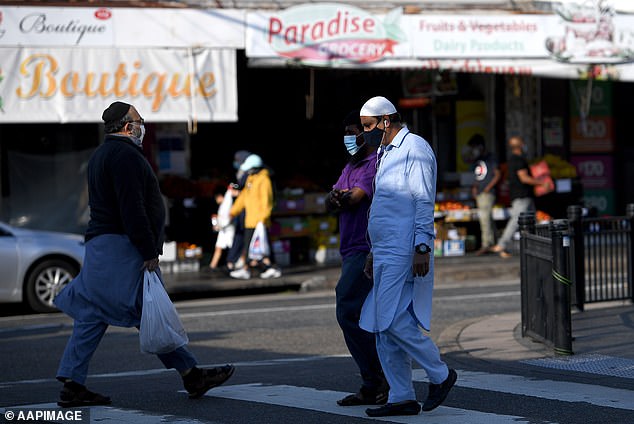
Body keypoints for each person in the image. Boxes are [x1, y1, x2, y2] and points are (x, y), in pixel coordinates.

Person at [53, 101, 234, 407]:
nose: (142, 124)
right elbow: (131, 207)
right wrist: (148, 249)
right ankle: (191, 374)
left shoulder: (100, 155)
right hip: (122, 247)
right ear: (127, 126)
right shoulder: (125, 156)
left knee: (93, 312)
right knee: (147, 309)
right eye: (138, 120)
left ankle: (72, 382)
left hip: (101, 246)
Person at [358, 96, 457, 417]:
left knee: (387, 318)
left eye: (368, 126)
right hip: (386, 250)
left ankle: (440, 374)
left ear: (386, 121)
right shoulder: (386, 153)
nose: (365, 133)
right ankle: (401, 395)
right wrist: (373, 251)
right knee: (382, 326)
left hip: (405, 248)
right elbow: (384, 207)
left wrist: (423, 246)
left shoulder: (415, 148)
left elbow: (423, 199)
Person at [326, 110, 388, 407]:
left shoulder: (372, 163)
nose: (350, 138)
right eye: (348, 133)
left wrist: (341, 198)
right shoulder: (350, 165)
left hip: (365, 249)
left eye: (356, 132)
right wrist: (338, 197)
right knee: (365, 316)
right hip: (350, 248)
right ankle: (377, 380)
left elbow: (354, 198)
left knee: (347, 309)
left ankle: (376, 380)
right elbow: (333, 197)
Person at [490, 136, 548, 258]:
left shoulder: (512, 160)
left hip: (523, 195)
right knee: (516, 220)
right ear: (520, 145)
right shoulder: (519, 160)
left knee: (532, 221)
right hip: (522, 196)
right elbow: (524, 178)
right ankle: (502, 245)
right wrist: (541, 182)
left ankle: (534, 245)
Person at [228, 153, 282, 280]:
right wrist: (233, 211)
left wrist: (263, 219)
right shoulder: (251, 179)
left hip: (259, 221)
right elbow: (243, 197)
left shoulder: (264, 180)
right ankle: (257, 268)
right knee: (252, 248)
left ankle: (268, 268)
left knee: (261, 247)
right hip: (250, 220)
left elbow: (266, 201)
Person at [468, 134, 502, 256]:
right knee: (488, 218)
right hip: (480, 193)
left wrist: (488, 188)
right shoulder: (478, 160)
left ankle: (486, 244)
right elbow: (478, 176)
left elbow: (498, 174)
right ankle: (494, 243)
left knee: (485, 219)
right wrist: (475, 187)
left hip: (487, 193)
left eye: (474, 147)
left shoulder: (490, 158)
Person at [207, 183, 238, 272]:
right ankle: (213, 266)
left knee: (234, 247)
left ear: (219, 196)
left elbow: (229, 216)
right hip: (223, 229)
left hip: (229, 229)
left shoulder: (227, 201)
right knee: (219, 247)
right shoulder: (224, 204)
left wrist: (221, 225)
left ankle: (234, 264)